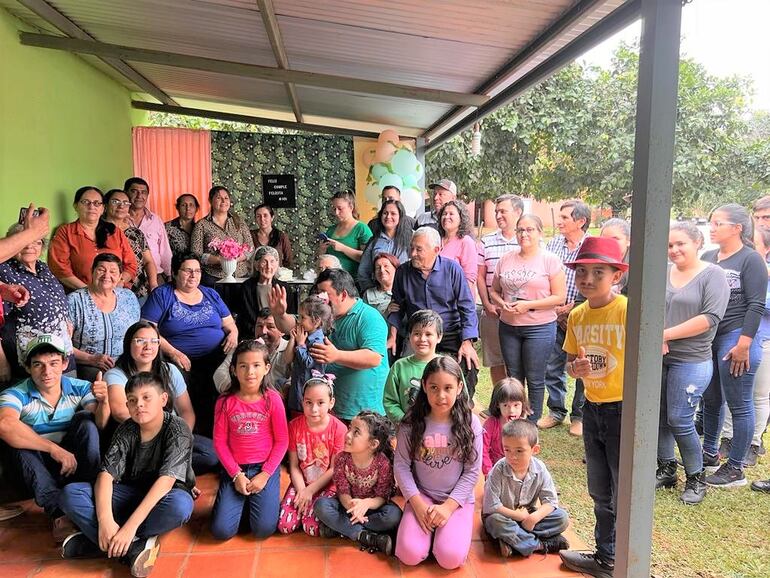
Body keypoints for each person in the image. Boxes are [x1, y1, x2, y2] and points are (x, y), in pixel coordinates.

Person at [59, 373, 195, 577]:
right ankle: (134, 548)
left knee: (181, 506)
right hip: (129, 493)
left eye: (146, 398)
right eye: (132, 400)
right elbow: (105, 476)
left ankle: (99, 543)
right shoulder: (126, 429)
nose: (139, 404)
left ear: (163, 399)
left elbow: (166, 482)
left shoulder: (178, 428)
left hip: (163, 497)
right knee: (71, 493)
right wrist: (105, 521)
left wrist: (129, 528)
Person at [558, 237, 628, 578]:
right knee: (599, 489)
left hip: (623, 411)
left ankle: (625, 557)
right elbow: (571, 364)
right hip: (593, 408)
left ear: (616, 275)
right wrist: (575, 370)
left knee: (622, 488)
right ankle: (606, 557)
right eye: (582, 271)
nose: (587, 278)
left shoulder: (629, 310)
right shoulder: (577, 315)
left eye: (597, 272)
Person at [0, 335, 109, 542]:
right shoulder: (14, 393)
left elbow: (100, 424)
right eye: (38, 365)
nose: (47, 372)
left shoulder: (81, 386)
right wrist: (53, 449)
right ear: (27, 367)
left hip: (74, 465)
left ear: (65, 363)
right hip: (35, 469)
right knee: (16, 444)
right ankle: (59, 514)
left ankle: (90, 495)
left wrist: (104, 403)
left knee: (87, 421)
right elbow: (5, 424)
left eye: (53, 363)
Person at [655, 223, 729, 505]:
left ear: (697, 243)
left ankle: (696, 478)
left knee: (680, 418)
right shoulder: (662, 271)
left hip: (692, 358)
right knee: (659, 416)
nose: (674, 250)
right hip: (659, 356)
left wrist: (664, 335)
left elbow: (710, 317)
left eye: (680, 244)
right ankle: (667, 468)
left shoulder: (713, 275)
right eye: (670, 245)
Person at [700, 204, 767, 488]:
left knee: (739, 405)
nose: (712, 228)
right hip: (709, 337)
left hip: (736, 337)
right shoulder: (707, 256)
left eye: (718, 223)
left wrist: (744, 343)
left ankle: (736, 466)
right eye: (711, 223)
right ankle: (710, 452)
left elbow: (756, 303)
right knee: (711, 399)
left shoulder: (750, 259)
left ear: (737, 228)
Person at [394, 356, 482, 570]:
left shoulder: (470, 423)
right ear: (424, 386)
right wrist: (417, 504)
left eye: (448, 388)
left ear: (460, 387)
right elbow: (402, 465)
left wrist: (448, 508)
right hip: (422, 495)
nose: (441, 396)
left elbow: (472, 471)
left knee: (449, 558)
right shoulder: (411, 422)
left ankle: (443, 535)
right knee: (409, 554)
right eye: (434, 387)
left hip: (456, 499)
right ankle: (427, 534)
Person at [269, 268, 389, 421]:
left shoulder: (369, 317)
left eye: (325, 293)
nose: (320, 298)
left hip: (363, 412)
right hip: (326, 409)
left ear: (343, 294)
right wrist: (279, 314)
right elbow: (291, 326)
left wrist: (336, 355)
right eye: (318, 292)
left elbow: (374, 358)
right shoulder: (321, 315)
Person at [141, 252, 238, 435]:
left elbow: (230, 325)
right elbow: (148, 330)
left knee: (229, 378)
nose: (194, 275)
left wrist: (233, 334)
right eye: (188, 271)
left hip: (217, 356)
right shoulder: (162, 295)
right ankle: (188, 434)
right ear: (176, 273)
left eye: (197, 271)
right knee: (183, 382)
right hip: (178, 358)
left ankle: (225, 434)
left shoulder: (210, 294)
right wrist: (173, 353)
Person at [105, 321, 218, 474]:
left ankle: (162, 469)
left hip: (173, 435)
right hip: (139, 440)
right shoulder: (115, 374)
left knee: (211, 455)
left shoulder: (170, 370)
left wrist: (180, 439)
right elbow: (120, 412)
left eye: (154, 341)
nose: (148, 346)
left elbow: (186, 411)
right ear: (128, 344)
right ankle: (170, 471)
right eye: (140, 341)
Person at [490, 214, 566, 422]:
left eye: (530, 229)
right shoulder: (506, 258)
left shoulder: (549, 260)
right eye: (520, 230)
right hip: (509, 326)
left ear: (540, 232)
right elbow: (494, 290)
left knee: (534, 377)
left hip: (539, 327)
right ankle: (514, 419)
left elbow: (559, 297)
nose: (524, 234)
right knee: (514, 377)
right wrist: (501, 303)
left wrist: (528, 305)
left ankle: (531, 423)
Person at [389, 227, 479, 401]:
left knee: (468, 365)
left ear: (436, 250)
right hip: (418, 335)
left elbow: (467, 307)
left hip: (450, 333)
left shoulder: (452, 269)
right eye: (412, 248)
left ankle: (462, 412)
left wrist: (467, 342)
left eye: (419, 249)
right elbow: (396, 307)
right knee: (408, 374)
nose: (413, 253)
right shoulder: (403, 272)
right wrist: (392, 336)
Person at [210, 340, 288, 540]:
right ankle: (241, 502)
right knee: (222, 531)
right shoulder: (225, 402)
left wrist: (265, 474)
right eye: (243, 366)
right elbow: (219, 442)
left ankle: (251, 503)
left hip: (264, 468)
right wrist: (236, 475)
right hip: (235, 469)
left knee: (263, 529)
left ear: (266, 368)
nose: (250, 372)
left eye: (256, 365)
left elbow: (282, 441)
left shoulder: (273, 399)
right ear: (234, 370)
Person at [314, 411, 401, 555]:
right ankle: (368, 537)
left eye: (356, 432)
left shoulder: (383, 463)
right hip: (347, 507)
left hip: (372, 509)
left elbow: (381, 496)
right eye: (349, 428)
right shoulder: (341, 459)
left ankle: (341, 529)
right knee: (321, 506)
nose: (348, 435)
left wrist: (365, 504)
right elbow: (342, 492)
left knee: (394, 515)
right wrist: (353, 508)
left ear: (373, 444)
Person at [540, 200, 592, 436]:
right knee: (553, 365)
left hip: (582, 316)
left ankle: (578, 416)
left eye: (565, 217)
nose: (559, 222)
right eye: (559, 217)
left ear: (580, 221)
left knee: (582, 365)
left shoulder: (590, 247)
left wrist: (571, 308)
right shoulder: (553, 245)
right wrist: (556, 308)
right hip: (555, 316)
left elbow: (593, 285)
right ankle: (556, 411)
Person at [483, 420, 569, 557]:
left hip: (528, 515)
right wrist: (518, 515)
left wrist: (533, 518)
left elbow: (550, 501)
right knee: (495, 523)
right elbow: (491, 506)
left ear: (534, 450)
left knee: (562, 517)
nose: (512, 456)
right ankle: (542, 545)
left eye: (519, 451)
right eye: (507, 449)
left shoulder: (540, 469)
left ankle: (514, 542)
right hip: (503, 515)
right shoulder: (498, 470)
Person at [0, 223, 75, 382]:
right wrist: (1, 362)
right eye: (23, 241)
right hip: (31, 360)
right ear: (12, 244)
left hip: (61, 352)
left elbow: (58, 301)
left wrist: (66, 321)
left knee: (69, 400)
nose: (30, 246)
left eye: (37, 241)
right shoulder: (4, 271)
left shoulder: (43, 267)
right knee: (35, 404)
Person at [278, 374, 346, 536]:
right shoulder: (294, 426)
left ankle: (316, 511)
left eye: (320, 403)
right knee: (285, 526)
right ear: (302, 402)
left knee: (312, 529)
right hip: (301, 482)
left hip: (327, 485)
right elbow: (294, 465)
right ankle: (303, 507)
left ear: (331, 403)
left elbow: (333, 469)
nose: (314, 409)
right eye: (308, 402)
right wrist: (302, 490)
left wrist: (310, 491)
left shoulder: (339, 429)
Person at [48, 186, 137, 291]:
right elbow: (60, 269)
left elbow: (131, 264)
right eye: (86, 202)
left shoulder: (114, 232)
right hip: (81, 295)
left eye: (97, 203)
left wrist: (119, 283)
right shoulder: (65, 232)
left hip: (115, 293)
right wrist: (90, 292)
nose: (91, 207)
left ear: (103, 208)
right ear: (76, 206)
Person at [68, 253, 141, 381]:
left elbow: (139, 333)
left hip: (126, 362)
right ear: (92, 272)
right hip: (89, 365)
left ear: (119, 277)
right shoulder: (75, 300)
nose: (107, 275)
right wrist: (91, 359)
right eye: (101, 270)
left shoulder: (128, 297)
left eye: (113, 272)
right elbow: (63, 343)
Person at [478, 194, 524, 386]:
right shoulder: (485, 242)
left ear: (518, 212)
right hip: (493, 312)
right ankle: (499, 401)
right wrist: (488, 305)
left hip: (521, 315)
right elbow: (480, 276)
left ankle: (518, 403)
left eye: (502, 211)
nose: (498, 215)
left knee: (519, 361)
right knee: (496, 359)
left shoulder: (528, 241)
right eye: (496, 212)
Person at [383, 309, 443, 423]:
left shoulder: (446, 367)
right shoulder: (399, 366)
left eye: (428, 334)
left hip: (438, 431)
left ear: (439, 337)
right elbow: (389, 400)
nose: (422, 339)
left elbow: (459, 397)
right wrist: (405, 421)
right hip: (406, 431)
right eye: (417, 334)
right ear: (409, 336)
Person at [213, 308, 290, 394]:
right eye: (259, 326)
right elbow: (219, 373)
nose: (263, 331)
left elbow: (296, 379)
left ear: (282, 330)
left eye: (270, 327)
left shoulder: (291, 349)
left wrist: (284, 391)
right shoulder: (244, 348)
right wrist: (237, 392)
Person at [103, 189, 159, 300]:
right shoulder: (99, 230)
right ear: (105, 205)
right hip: (109, 292)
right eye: (115, 202)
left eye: (125, 203)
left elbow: (148, 261)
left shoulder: (135, 232)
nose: (121, 206)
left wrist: (153, 285)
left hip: (139, 292)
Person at [191, 186, 253, 286]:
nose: (223, 201)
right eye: (219, 198)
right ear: (211, 201)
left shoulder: (239, 222)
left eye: (226, 198)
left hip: (240, 275)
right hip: (213, 277)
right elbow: (195, 253)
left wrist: (233, 261)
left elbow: (250, 248)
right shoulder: (202, 224)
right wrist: (220, 260)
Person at [284, 295, 333, 418]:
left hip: (309, 396)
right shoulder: (303, 335)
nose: (299, 321)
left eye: (302, 317)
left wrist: (300, 344)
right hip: (297, 392)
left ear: (316, 321)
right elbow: (287, 359)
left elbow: (308, 364)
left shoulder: (318, 341)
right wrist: (292, 339)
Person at [125, 177, 173, 285]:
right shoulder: (119, 220)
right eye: (134, 191)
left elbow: (165, 250)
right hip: (127, 279)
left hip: (156, 277)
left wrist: (170, 275)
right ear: (125, 193)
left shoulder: (155, 220)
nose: (139, 196)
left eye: (143, 192)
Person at [357, 200, 411, 292]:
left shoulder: (410, 240)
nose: (388, 216)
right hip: (378, 297)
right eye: (385, 213)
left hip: (404, 294)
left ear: (400, 216)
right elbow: (363, 272)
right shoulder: (374, 241)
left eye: (393, 213)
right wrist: (372, 293)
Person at [482, 377, 530, 476]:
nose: (511, 410)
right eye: (506, 405)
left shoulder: (524, 426)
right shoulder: (491, 424)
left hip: (517, 469)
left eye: (516, 405)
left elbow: (528, 452)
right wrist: (489, 472)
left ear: (523, 404)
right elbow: (483, 450)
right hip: (494, 468)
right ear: (498, 405)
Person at [320, 190, 372, 277]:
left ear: (351, 207)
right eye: (334, 209)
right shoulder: (331, 230)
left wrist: (343, 248)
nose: (336, 213)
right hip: (332, 281)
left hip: (354, 281)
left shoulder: (362, 229)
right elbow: (322, 259)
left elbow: (368, 258)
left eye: (340, 208)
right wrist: (321, 250)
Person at [237, 245, 282, 338]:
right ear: (257, 265)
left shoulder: (283, 287)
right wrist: (260, 333)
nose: (269, 266)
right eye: (264, 262)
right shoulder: (247, 287)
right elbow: (245, 319)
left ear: (277, 265)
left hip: (277, 334)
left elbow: (287, 318)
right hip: (252, 334)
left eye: (272, 261)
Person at [438, 200, 478, 295]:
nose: (446, 217)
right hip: (437, 299)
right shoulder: (436, 240)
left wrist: (462, 302)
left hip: (457, 300)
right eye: (444, 214)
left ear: (461, 218)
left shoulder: (466, 242)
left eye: (451, 214)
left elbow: (469, 277)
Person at [251, 203, 294, 269]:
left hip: (276, 276)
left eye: (265, 215)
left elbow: (289, 260)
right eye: (258, 216)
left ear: (272, 217)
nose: (262, 219)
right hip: (256, 276)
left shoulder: (281, 236)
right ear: (255, 219)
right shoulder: (250, 235)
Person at [362, 252, 398, 318]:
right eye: (378, 268)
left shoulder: (405, 291)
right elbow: (366, 320)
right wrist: (386, 313)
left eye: (386, 266)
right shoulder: (368, 294)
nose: (382, 270)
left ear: (396, 269)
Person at [599, 218, 631, 294]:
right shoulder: (594, 262)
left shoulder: (639, 269)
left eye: (615, 239)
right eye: (604, 240)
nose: (609, 244)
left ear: (628, 241)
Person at [165, 194, 199, 260]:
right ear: (177, 208)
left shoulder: (199, 228)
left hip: (195, 268)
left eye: (191, 205)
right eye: (183, 205)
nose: (188, 208)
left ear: (196, 208)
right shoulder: (167, 228)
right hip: (174, 268)